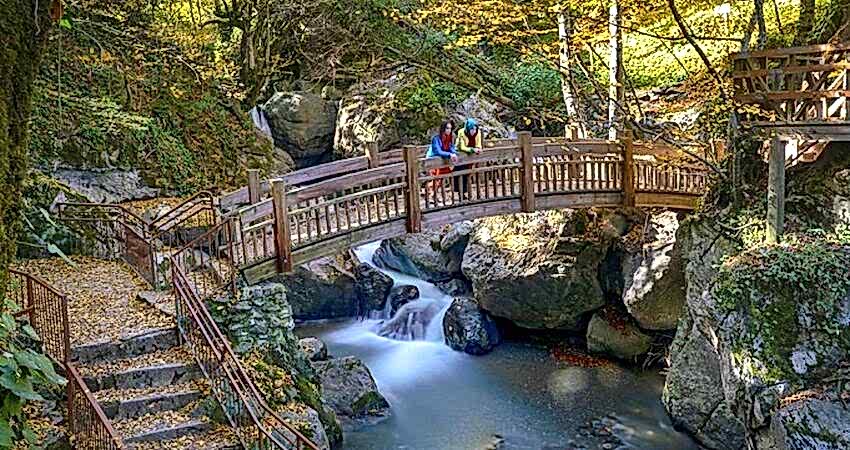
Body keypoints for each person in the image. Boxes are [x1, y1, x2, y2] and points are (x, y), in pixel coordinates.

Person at [453, 118, 483, 196]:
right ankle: (460, 193)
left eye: (475, 129)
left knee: (467, 174)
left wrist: (479, 149)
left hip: (470, 155)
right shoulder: (461, 132)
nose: (473, 131)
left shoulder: (478, 132)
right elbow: (462, 147)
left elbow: (478, 143)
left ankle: (466, 193)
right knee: (460, 173)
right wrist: (473, 150)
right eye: (472, 129)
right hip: (461, 155)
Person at [426, 121, 458, 193]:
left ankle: (433, 194)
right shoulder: (436, 139)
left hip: (443, 159)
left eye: (450, 128)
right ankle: (430, 193)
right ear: (443, 129)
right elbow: (438, 151)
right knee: (436, 178)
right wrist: (450, 154)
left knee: (441, 177)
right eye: (447, 128)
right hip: (433, 159)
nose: (449, 130)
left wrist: (454, 153)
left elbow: (451, 147)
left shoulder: (450, 138)